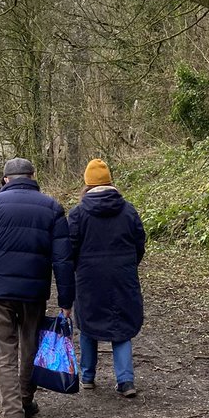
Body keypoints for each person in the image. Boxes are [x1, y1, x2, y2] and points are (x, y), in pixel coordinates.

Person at [0, 157, 75, 418]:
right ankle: (25, 399)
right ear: (32, 176)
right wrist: (66, 299)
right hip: (33, 292)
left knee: (3, 350)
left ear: (5, 179)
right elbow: (63, 259)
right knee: (30, 345)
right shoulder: (51, 207)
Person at [67, 158, 146, 397]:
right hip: (123, 275)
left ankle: (88, 376)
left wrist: (76, 268)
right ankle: (125, 380)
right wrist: (129, 264)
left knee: (88, 324)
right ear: (110, 181)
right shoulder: (128, 209)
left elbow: (70, 247)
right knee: (121, 325)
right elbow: (139, 243)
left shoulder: (78, 213)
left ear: (87, 183)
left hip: (89, 277)